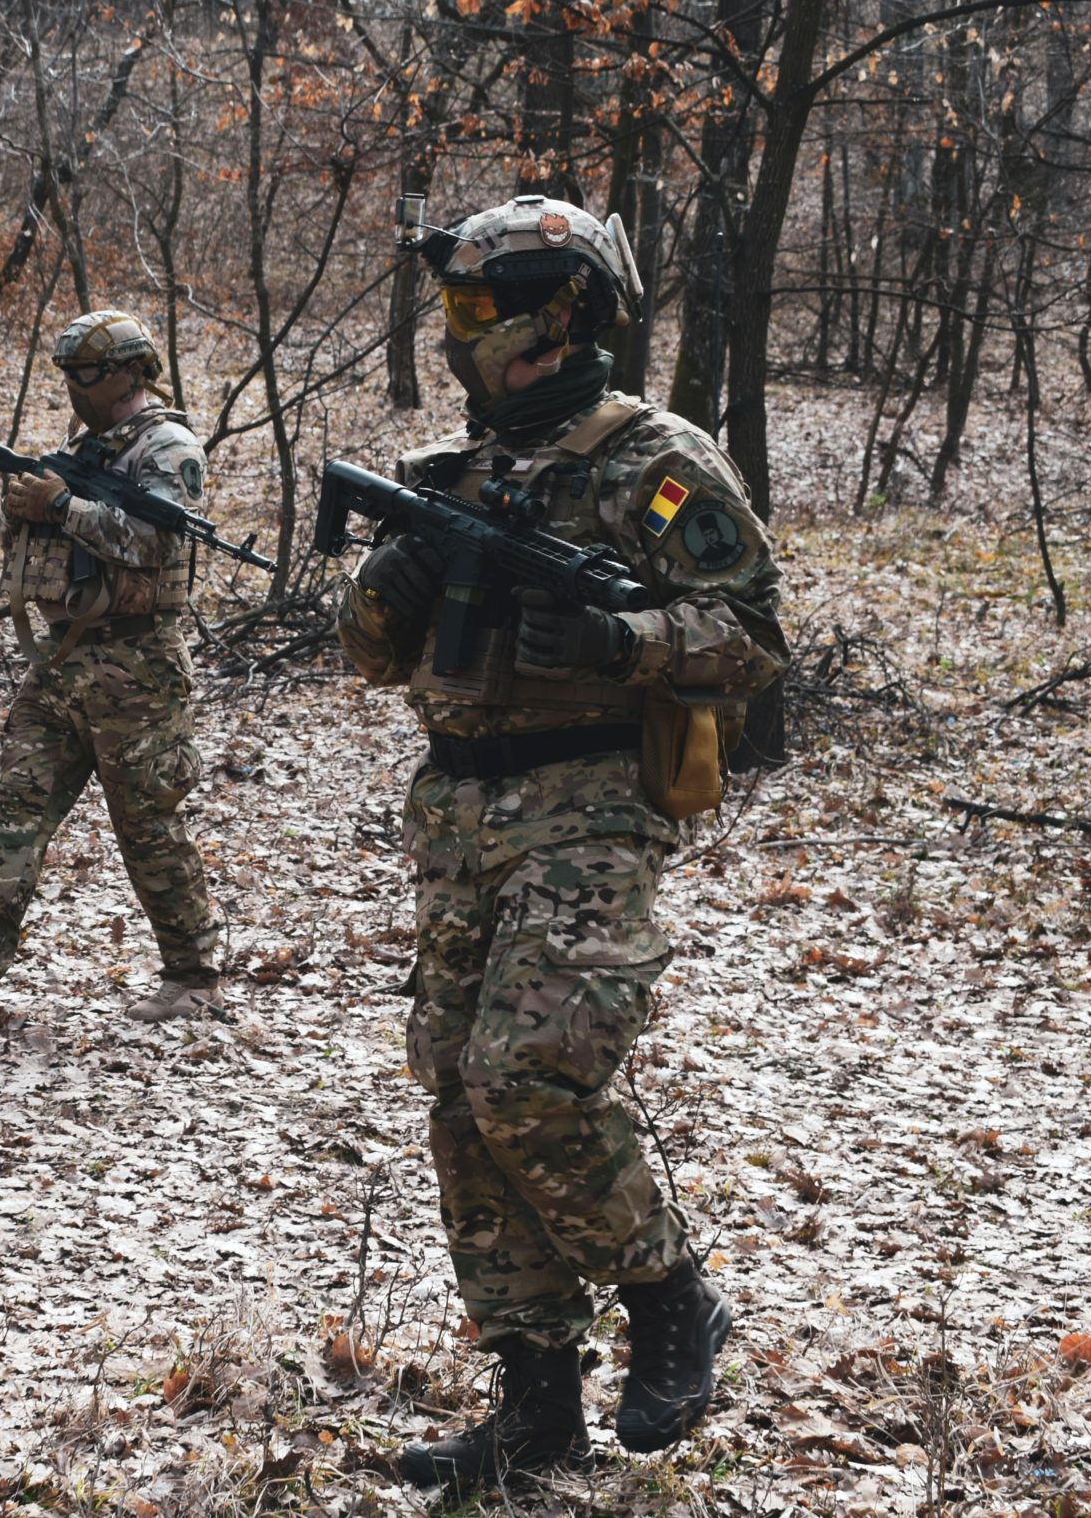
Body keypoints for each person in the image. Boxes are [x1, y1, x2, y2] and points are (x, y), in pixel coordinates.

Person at [336, 196, 785, 1493]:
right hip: (459, 814)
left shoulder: (652, 462)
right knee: (464, 1108)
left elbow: (754, 639)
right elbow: (366, 658)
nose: (465, 333)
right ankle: (535, 1405)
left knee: (529, 1079)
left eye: (486, 309)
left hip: (591, 808)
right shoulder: (454, 473)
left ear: (567, 313)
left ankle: (671, 1296)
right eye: (457, 309)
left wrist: (623, 643)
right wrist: (388, 595)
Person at [0, 310, 224, 1025]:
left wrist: (62, 505)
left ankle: (193, 975)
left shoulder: (167, 447)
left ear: (130, 372)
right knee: (18, 804)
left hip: (138, 667)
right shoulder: (85, 448)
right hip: (65, 659)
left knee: (147, 823)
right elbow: (42, 540)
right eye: (68, 374)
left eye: (88, 374)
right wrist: (31, 509)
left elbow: (156, 545)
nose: (76, 386)